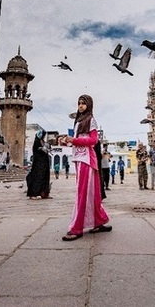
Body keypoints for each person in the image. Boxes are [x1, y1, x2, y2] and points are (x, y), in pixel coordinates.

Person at [61, 95, 111, 241]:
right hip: (79, 158)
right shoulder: (78, 121)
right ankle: (98, 221)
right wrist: (66, 142)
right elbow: (77, 142)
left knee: (82, 193)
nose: (81, 106)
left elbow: (94, 140)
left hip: (87, 159)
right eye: (79, 103)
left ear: (89, 105)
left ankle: (77, 228)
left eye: (84, 103)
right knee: (91, 193)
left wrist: (74, 140)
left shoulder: (91, 120)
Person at [26, 129, 52, 200]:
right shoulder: (36, 142)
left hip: (44, 164)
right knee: (37, 178)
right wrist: (42, 149)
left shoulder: (42, 141)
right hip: (38, 164)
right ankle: (33, 194)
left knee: (45, 178)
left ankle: (44, 193)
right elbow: (37, 151)